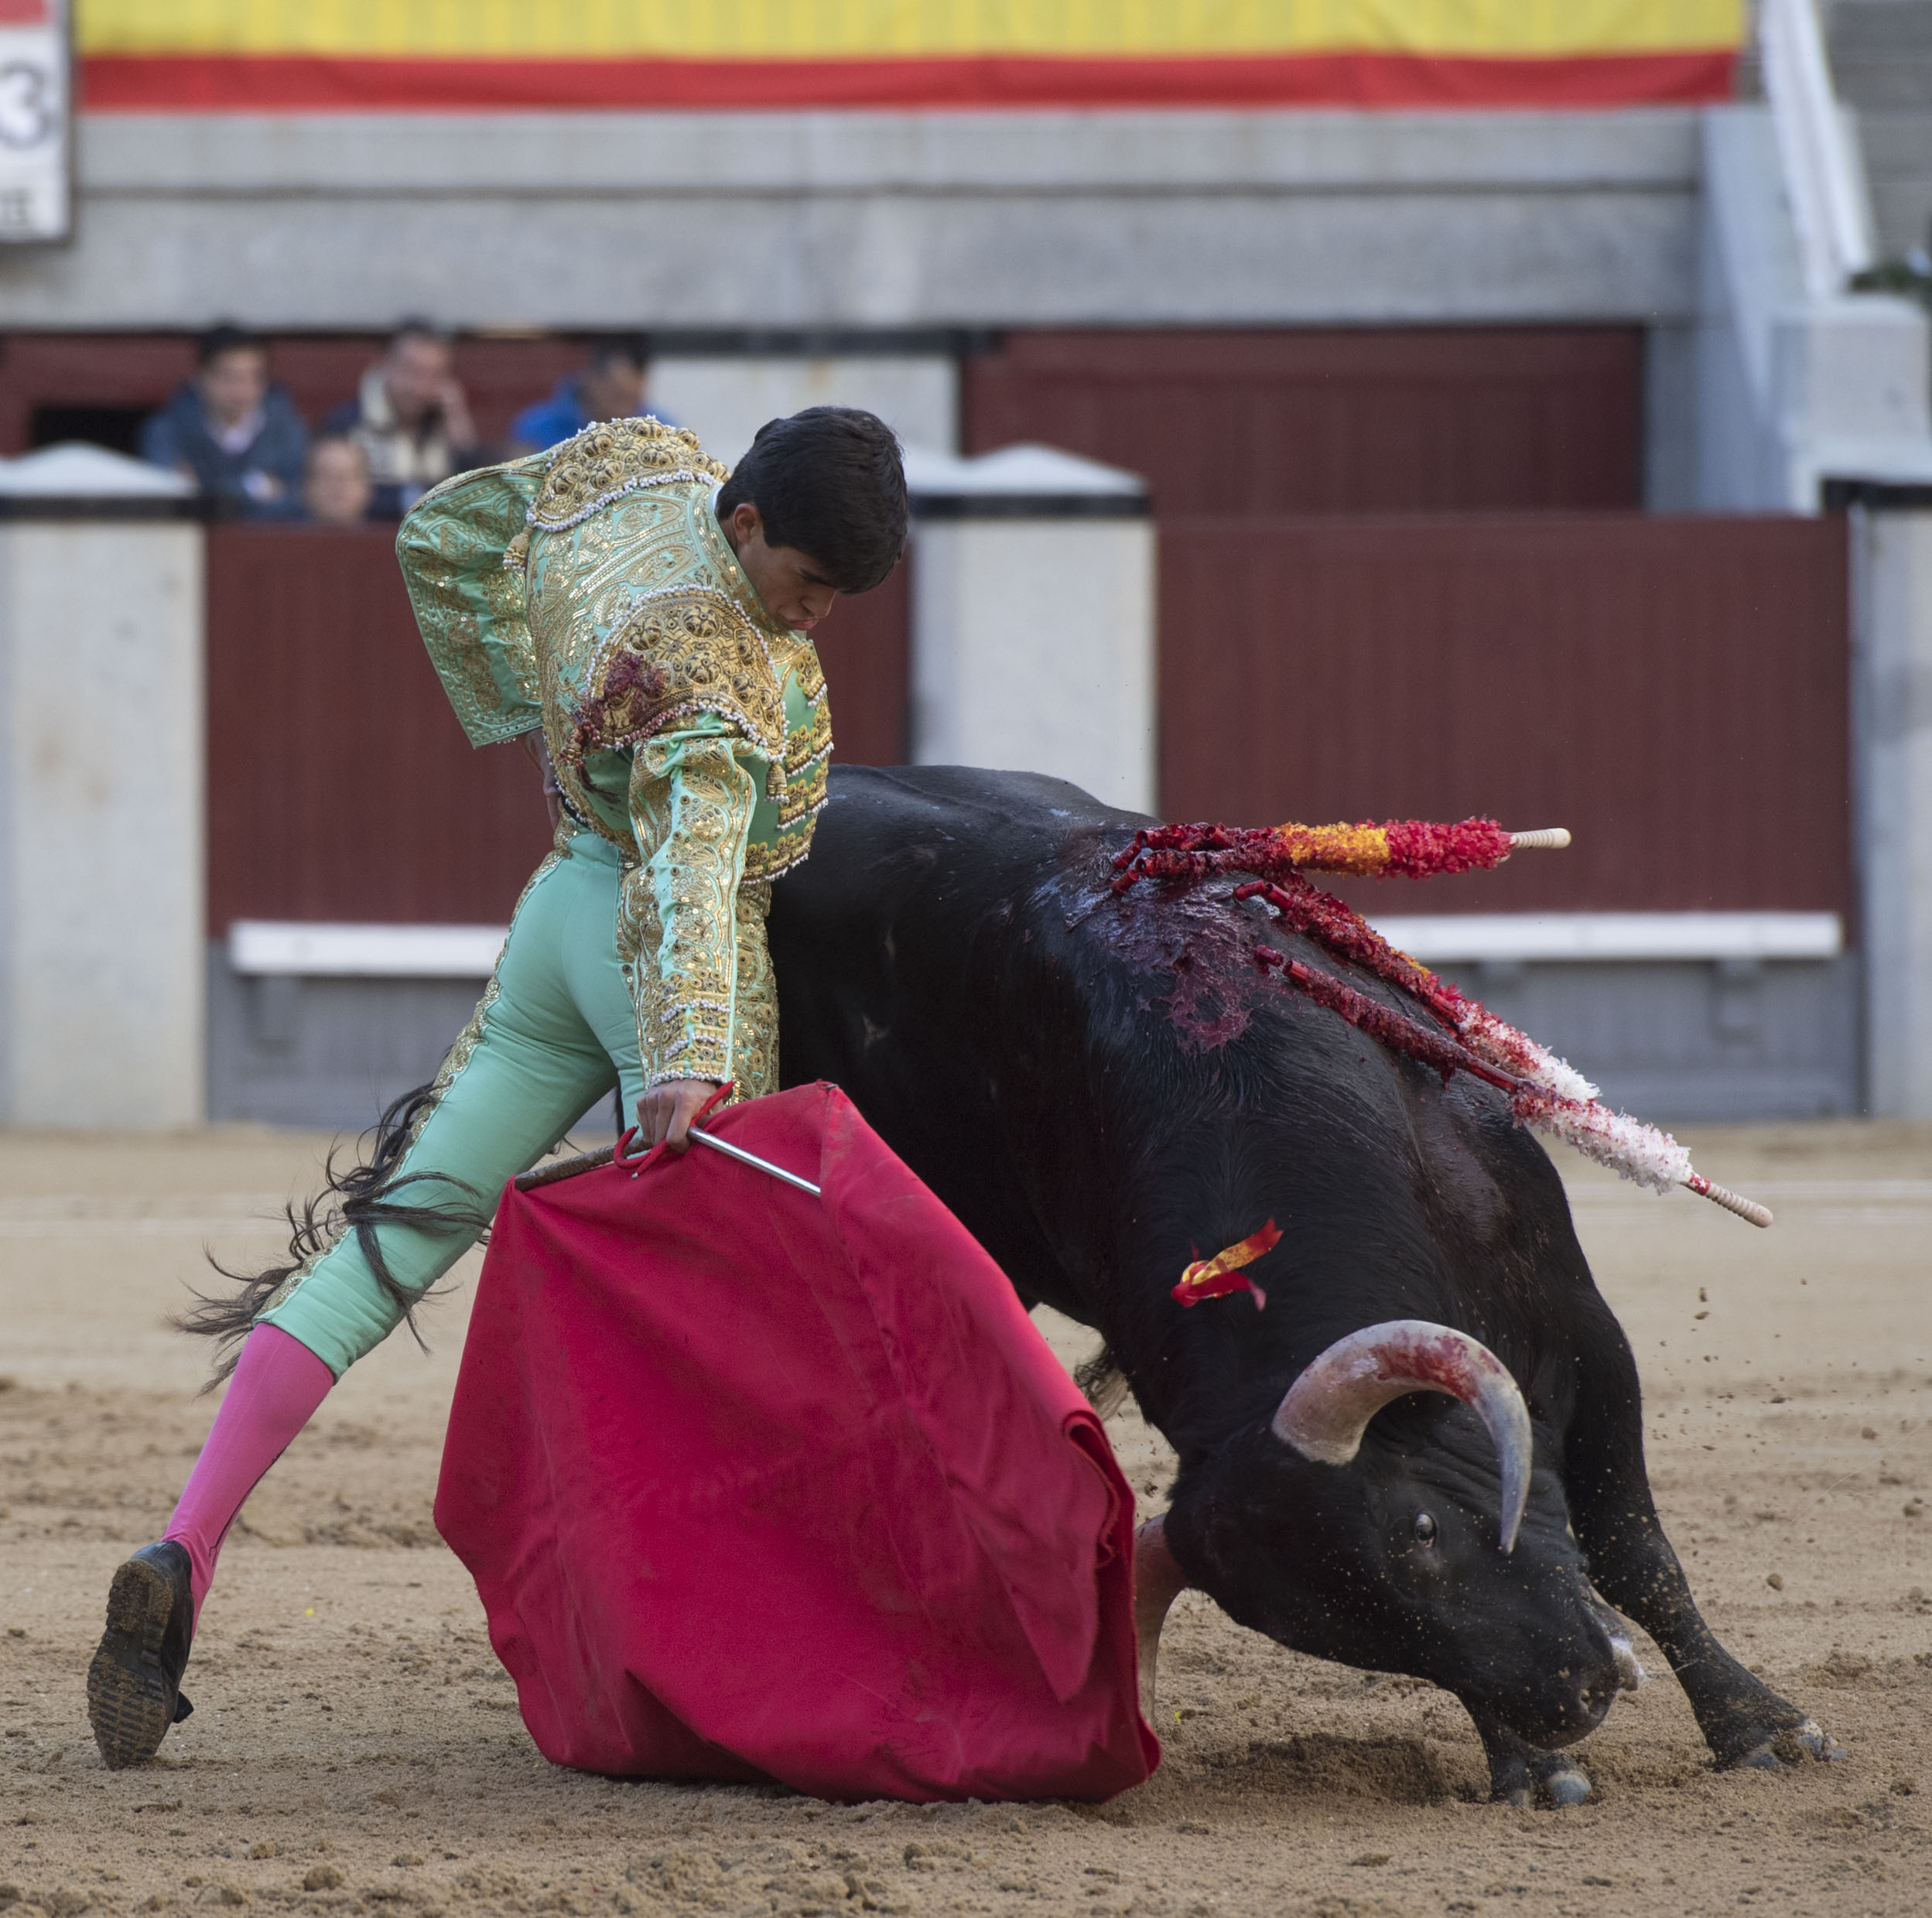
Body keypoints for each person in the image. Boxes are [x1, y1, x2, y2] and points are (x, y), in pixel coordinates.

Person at [84, 408, 908, 1770]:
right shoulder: (715, 664)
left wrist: (533, 703)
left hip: (553, 917)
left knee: (390, 1240)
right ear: (749, 525)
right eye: (808, 584)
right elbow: (695, 862)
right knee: (746, 1295)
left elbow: (446, 534)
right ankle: (731, 1650)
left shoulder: (635, 466)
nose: (813, 619)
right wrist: (692, 1046)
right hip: (651, 946)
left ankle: (187, 1545)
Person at [139, 324, 307, 519]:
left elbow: (302, 500)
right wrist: (254, 487)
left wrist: (206, 489)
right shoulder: (165, 432)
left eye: (251, 378)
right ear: (200, 378)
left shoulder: (289, 430)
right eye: (228, 378)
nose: (240, 392)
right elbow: (171, 502)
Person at [322, 321, 481, 518]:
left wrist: (464, 443)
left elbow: (477, 499)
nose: (419, 388)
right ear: (386, 364)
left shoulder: (448, 425)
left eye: (433, 375)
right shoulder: (347, 424)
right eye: (411, 371)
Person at [506, 333, 669, 454]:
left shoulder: (662, 430)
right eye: (617, 397)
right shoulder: (536, 428)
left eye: (633, 400)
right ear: (591, 378)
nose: (624, 411)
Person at [300, 433, 374, 525]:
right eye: (327, 476)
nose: (338, 486)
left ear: (367, 486)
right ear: (308, 486)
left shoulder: (391, 538)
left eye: (347, 477)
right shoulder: (289, 538)